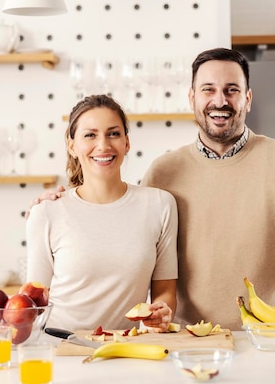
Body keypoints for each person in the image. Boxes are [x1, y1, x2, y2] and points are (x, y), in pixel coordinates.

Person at [31, 49, 275, 338]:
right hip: (186, 339)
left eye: (231, 89)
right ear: (192, 98)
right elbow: (120, 218)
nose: (220, 100)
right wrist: (62, 204)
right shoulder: (163, 171)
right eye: (208, 90)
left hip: (269, 336)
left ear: (247, 98)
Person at [26, 94, 178, 333]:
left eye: (113, 133)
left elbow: (165, 291)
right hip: (62, 346)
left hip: (127, 347)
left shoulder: (160, 205)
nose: (103, 145)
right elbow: (33, 302)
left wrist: (162, 313)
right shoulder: (46, 212)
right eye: (90, 135)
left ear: (127, 143)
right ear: (72, 146)